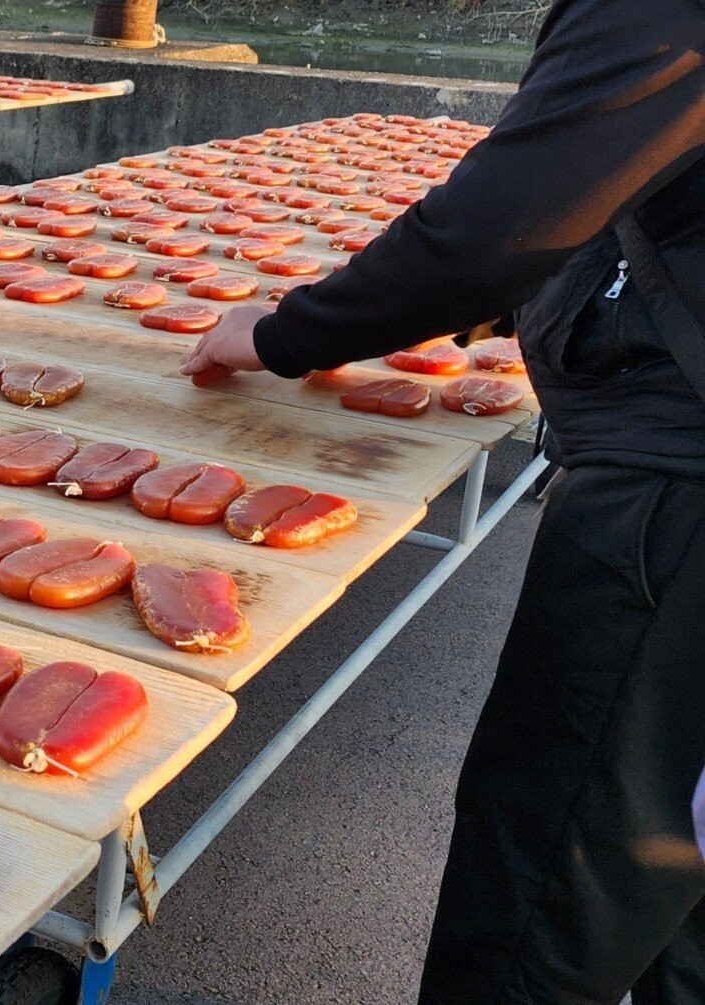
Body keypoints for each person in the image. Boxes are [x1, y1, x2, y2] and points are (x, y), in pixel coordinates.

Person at [179, 1, 705, 1001]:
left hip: (675, 512)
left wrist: (285, 333)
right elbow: (628, 192)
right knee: (676, 873)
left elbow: (502, 224)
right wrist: (524, 302)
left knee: (555, 877)